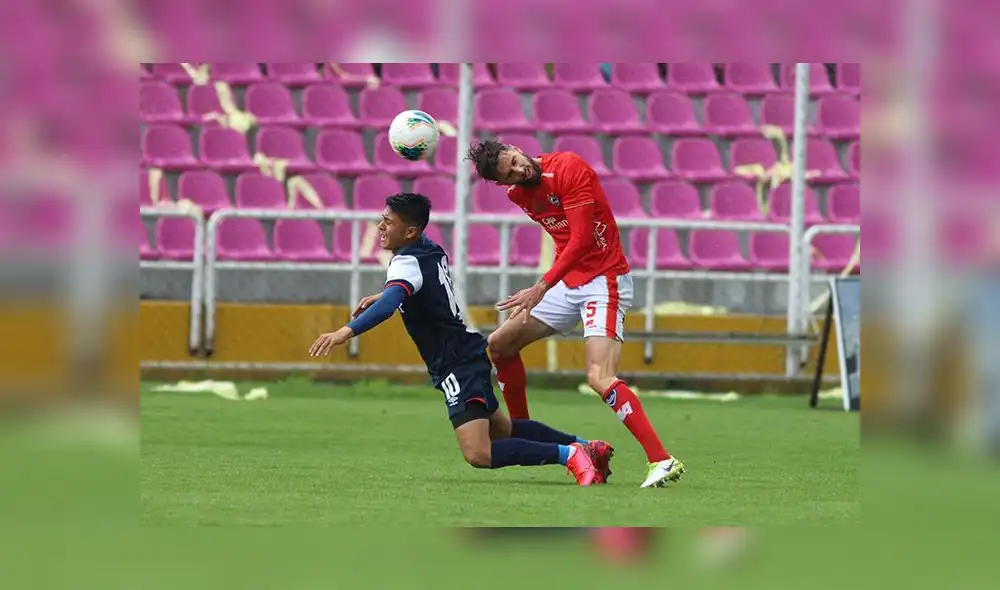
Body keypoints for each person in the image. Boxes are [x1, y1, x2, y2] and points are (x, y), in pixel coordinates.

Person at [309, 192, 614, 485]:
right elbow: (425, 289)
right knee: (503, 429)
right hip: (468, 353)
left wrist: (345, 332)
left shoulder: (405, 262)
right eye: (382, 219)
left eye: (388, 221)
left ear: (411, 230)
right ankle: (588, 446)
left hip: (455, 362)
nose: (380, 227)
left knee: (479, 453)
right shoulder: (429, 248)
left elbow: (391, 305)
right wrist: (386, 293)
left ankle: (571, 455)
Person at [465, 139, 685, 488]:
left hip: (604, 279)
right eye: (510, 175)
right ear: (504, 184)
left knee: (599, 376)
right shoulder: (518, 196)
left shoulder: (568, 167)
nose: (520, 171)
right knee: (500, 345)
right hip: (568, 282)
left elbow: (582, 239)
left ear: (515, 147)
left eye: (515, 161)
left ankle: (661, 459)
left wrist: (542, 286)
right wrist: (552, 284)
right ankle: (527, 438)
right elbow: (564, 239)